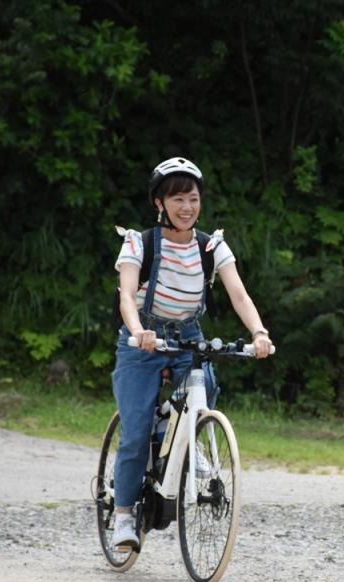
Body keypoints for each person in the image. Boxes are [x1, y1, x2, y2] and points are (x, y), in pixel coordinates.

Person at [110, 157, 273, 550]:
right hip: (144, 340)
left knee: (206, 384)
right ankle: (124, 517)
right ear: (160, 204)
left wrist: (259, 331)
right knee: (134, 434)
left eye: (194, 198)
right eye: (178, 198)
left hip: (187, 336)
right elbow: (128, 297)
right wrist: (138, 332)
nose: (187, 207)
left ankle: (183, 435)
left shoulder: (210, 246)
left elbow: (238, 293)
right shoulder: (140, 242)